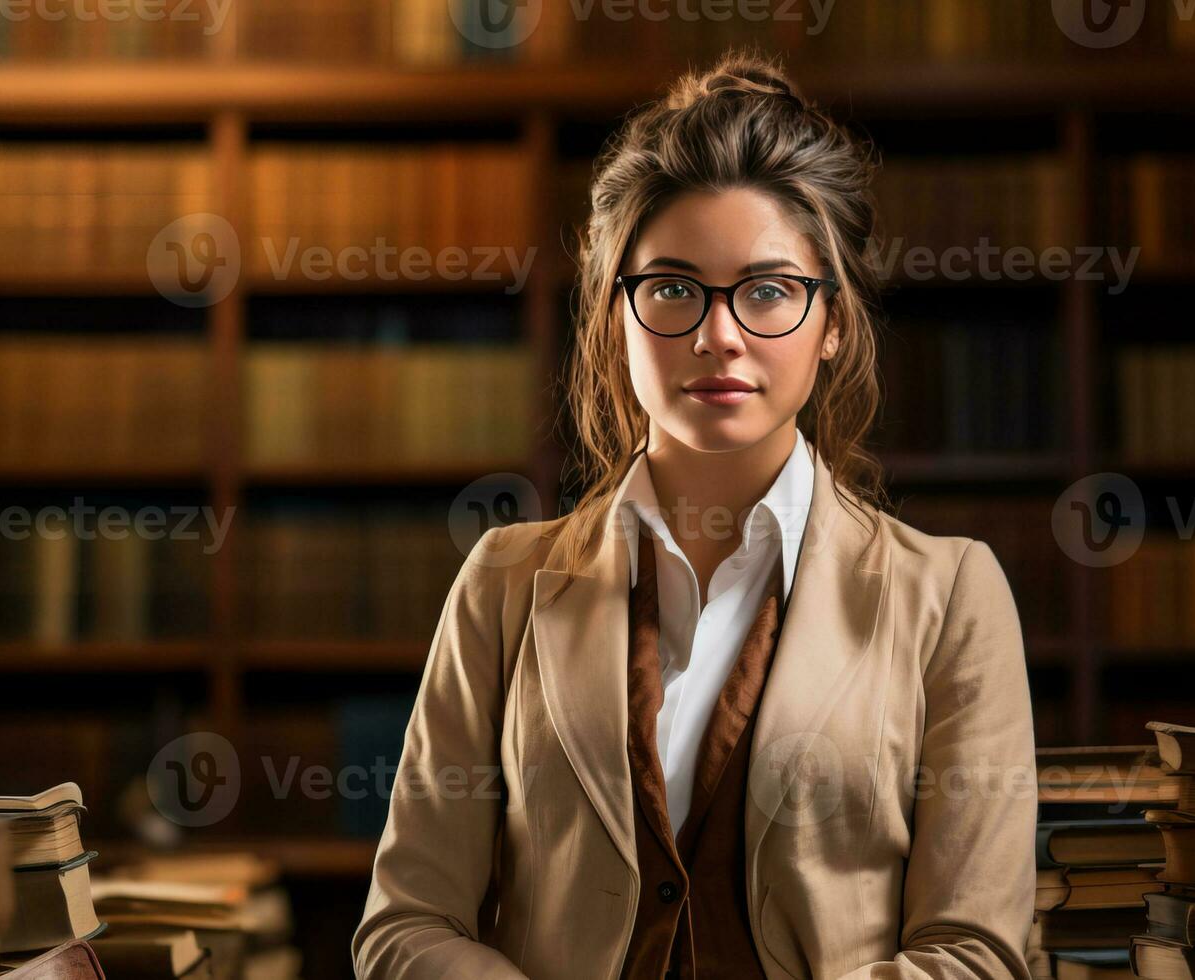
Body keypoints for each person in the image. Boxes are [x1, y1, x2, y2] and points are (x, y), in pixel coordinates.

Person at [355, 51, 1037, 980]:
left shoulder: (949, 594)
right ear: (613, 315)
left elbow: (975, 953)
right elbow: (404, 929)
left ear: (831, 323)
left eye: (767, 291)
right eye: (672, 288)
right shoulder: (504, 583)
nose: (719, 333)